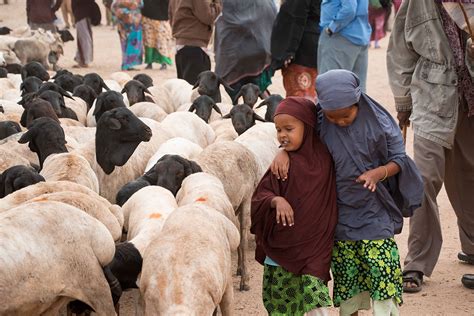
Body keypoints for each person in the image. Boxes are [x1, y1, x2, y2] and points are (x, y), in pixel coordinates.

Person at [271, 70, 423, 315]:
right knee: (348, 277)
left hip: (375, 210)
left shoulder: (381, 123)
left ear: (357, 100)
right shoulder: (319, 120)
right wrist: (283, 151)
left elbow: (399, 159)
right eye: (334, 117)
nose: (340, 122)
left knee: (382, 268)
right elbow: (297, 136)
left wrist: (378, 173)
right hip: (339, 215)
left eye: (346, 115)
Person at [387, 0, 474, 293]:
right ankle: (416, 263)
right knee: (423, 179)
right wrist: (403, 103)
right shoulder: (417, 3)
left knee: (467, 178)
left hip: (470, 103)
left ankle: (473, 246)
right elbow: (400, 50)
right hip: (432, 98)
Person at [251, 96, 338, 316]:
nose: (282, 135)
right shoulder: (281, 164)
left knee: (316, 303)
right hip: (282, 250)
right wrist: (276, 200)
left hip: (314, 249)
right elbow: (260, 195)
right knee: (282, 306)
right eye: (278, 130)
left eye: (289, 129)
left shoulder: (327, 158)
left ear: (308, 126)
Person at [214, 0, 276, 102]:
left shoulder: (227, 3)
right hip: (260, 51)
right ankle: (268, 104)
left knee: (231, 94)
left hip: (233, 56)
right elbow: (272, 17)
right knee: (258, 88)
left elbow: (219, 19)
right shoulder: (266, 2)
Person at [270, 0, 321, 101]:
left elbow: (294, 18)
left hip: (301, 50)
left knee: (300, 101)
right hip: (316, 43)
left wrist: (287, 52)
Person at [318, 0, 371, 92]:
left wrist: (332, 27)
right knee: (358, 89)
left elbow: (349, 8)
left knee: (330, 87)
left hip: (340, 36)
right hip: (359, 34)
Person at [168, 0, 221, 85]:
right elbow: (208, 17)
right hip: (194, 47)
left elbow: (171, 16)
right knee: (195, 91)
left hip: (182, 45)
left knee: (186, 89)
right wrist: (218, 3)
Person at [111, 0, 144, 71]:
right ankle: (126, 64)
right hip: (129, 23)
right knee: (127, 44)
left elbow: (113, 7)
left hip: (132, 23)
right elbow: (140, 4)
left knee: (128, 44)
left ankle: (128, 64)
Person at [141, 0, 173, 70]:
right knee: (148, 41)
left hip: (161, 18)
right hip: (147, 17)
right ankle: (149, 62)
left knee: (162, 41)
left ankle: (164, 62)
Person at [71, 0, 100, 68]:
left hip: (82, 14)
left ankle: (85, 60)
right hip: (81, 14)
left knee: (84, 38)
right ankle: (81, 59)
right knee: (82, 38)